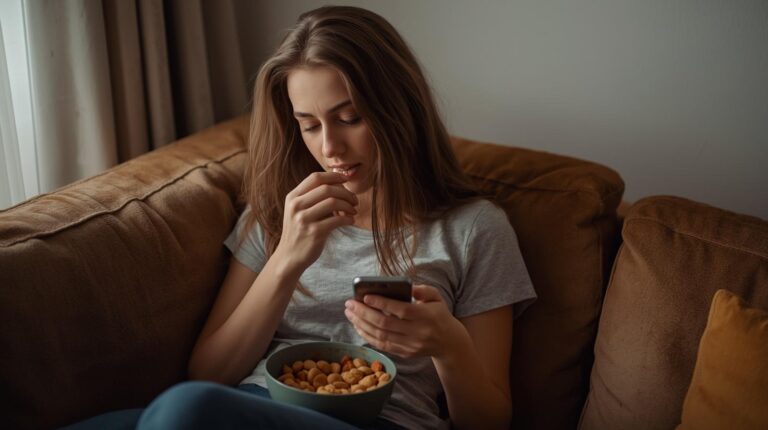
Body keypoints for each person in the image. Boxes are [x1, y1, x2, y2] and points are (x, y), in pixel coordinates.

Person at [64, 5, 535, 430]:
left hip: (379, 421)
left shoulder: (474, 229)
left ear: (399, 110)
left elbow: (490, 421)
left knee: (186, 411)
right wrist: (287, 257)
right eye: (309, 124)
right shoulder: (281, 210)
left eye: (349, 118)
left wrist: (448, 347)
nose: (329, 147)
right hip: (246, 406)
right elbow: (210, 372)